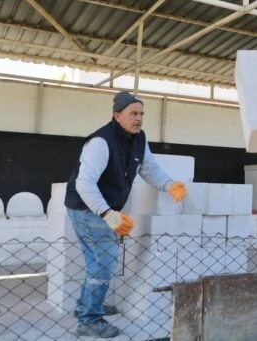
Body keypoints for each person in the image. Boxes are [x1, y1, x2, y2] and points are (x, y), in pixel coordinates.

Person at [65, 91, 187, 338]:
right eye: (133, 113)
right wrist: (109, 214)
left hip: (103, 208)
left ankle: (86, 307)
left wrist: (168, 184)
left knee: (98, 262)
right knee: (104, 263)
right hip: (87, 208)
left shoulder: (139, 139)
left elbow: (148, 167)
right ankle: (89, 319)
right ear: (117, 115)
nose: (139, 118)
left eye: (141, 114)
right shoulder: (101, 142)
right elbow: (84, 183)